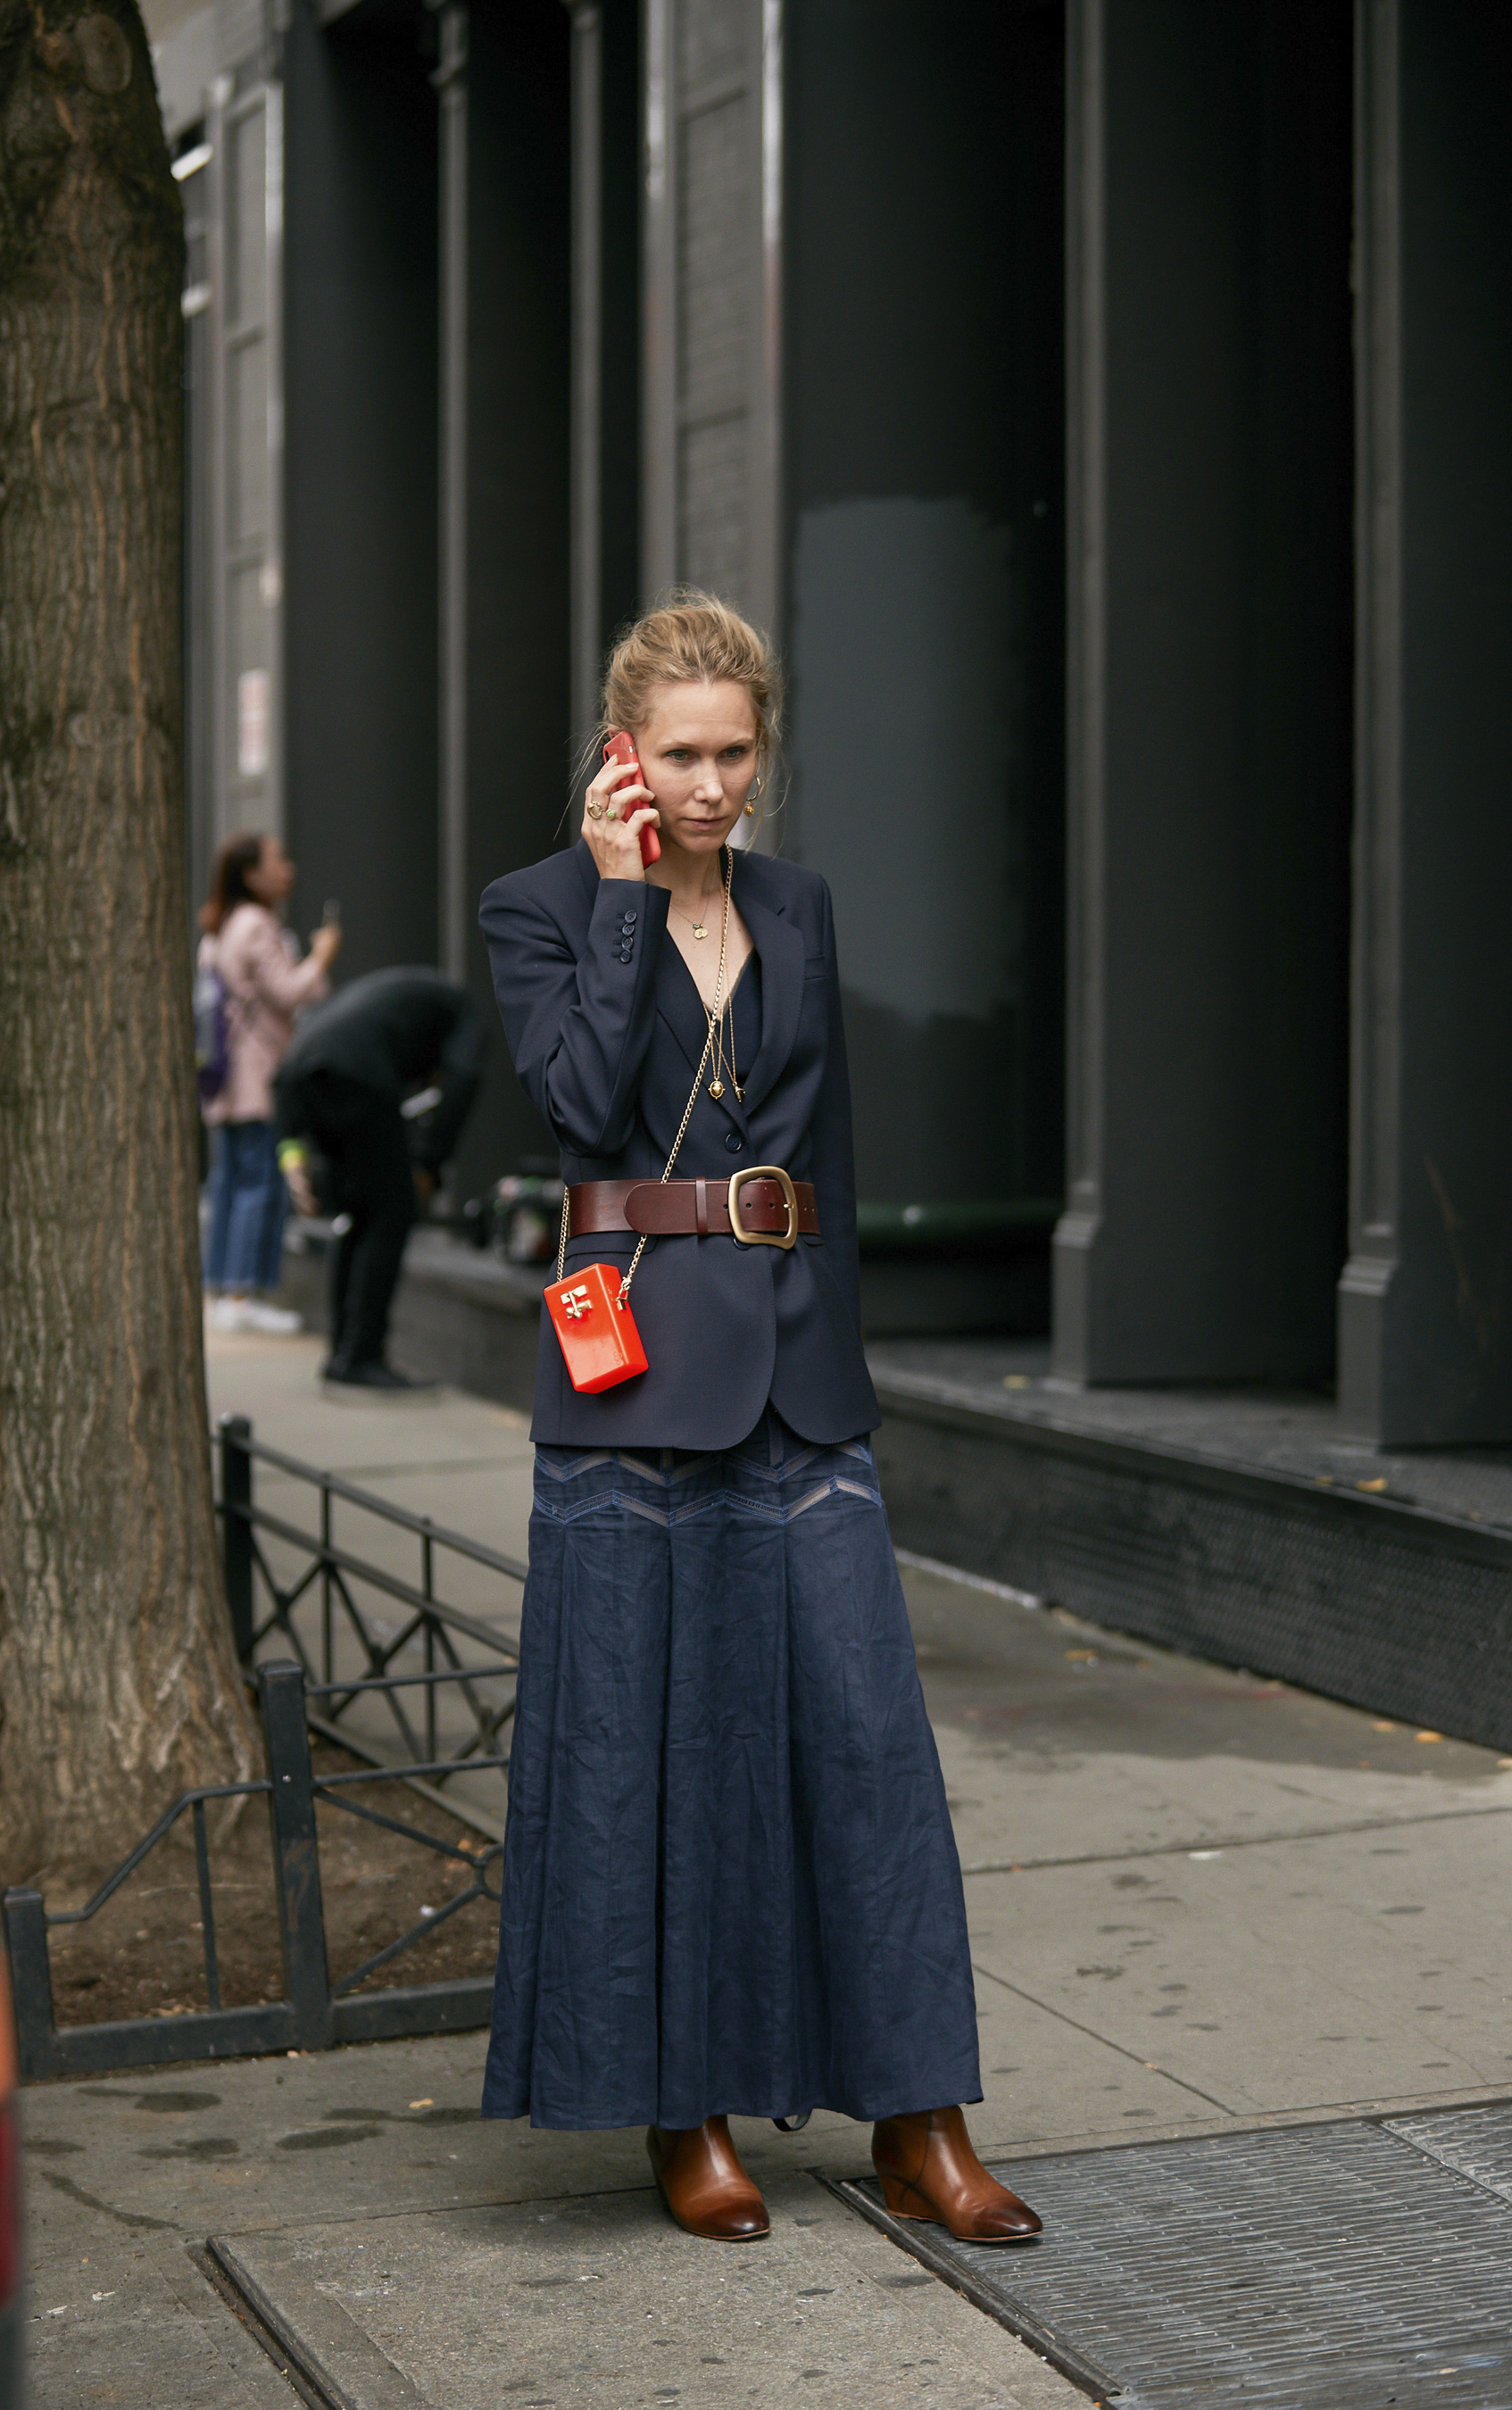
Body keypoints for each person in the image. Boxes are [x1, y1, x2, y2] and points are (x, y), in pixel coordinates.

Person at [475, 596, 1041, 2247]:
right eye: (680, 757)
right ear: (621, 756)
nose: (713, 786)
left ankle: (921, 2119)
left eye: (735, 755)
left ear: (763, 752)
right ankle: (688, 2116)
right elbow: (581, 1108)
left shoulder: (802, 906)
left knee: (867, 1751)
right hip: (636, 1385)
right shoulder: (544, 905)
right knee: (656, 1756)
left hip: (802, 1384)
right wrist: (623, 898)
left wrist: (846, 1359)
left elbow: (831, 1154)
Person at [271, 968, 485, 1389]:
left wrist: (291, 1152)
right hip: (358, 1074)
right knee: (392, 1213)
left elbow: (288, 1077)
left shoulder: (397, 995)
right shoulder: (464, 1012)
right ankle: (362, 1356)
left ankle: (343, 1352)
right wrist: (428, 1161)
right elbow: (463, 1080)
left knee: (357, 1215)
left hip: (305, 1070)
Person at [198, 833, 341, 1331]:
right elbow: (289, 991)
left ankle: (223, 1290)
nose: (289, 870)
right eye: (278, 861)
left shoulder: (220, 926)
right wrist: (322, 954)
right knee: (260, 1185)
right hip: (257, 1077)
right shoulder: (257, 925)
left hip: (224, 1080)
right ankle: (244, 1296)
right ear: (251, 875)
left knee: (230, 1183)